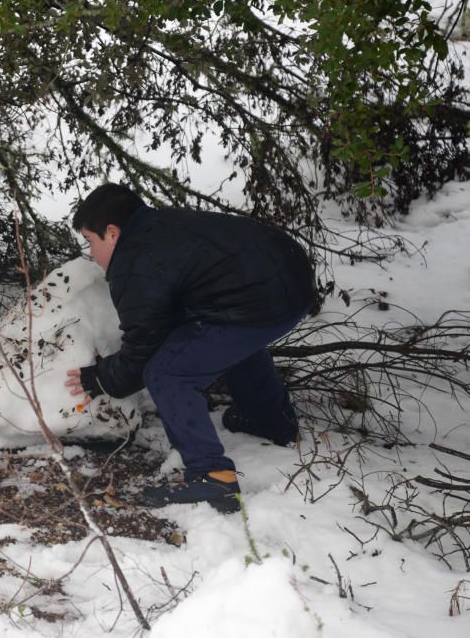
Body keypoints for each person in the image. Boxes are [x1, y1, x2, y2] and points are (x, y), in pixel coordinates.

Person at [64, 183, 315, 513]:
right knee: (230, 339)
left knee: (168, 373)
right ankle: (272, 422)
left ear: (112, 233)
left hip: (263, 300)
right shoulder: (164, 225)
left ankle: (212, 478)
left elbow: (143, 354)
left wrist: (98, 378)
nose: (92, 255)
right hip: (293, 280)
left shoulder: (136, 263)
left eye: (90, 242)